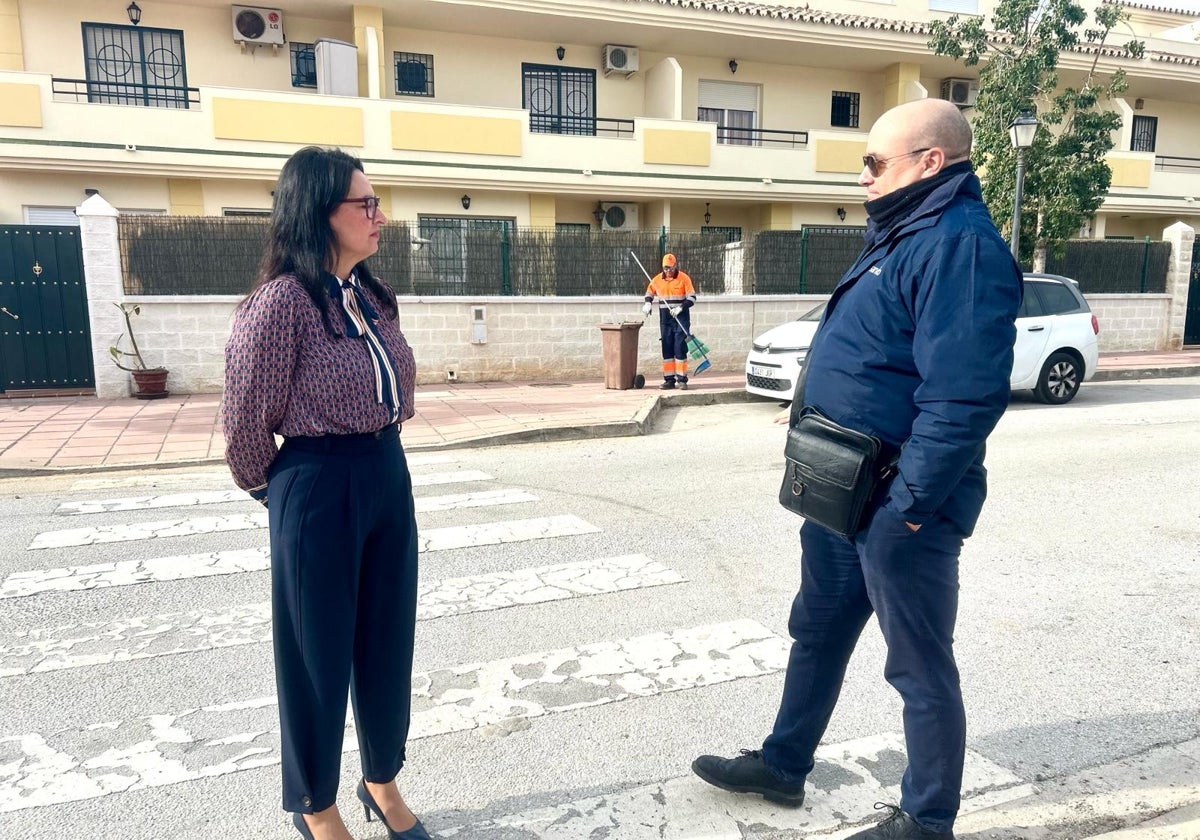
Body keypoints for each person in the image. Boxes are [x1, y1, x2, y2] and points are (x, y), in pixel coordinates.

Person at [691, 98, 1022, 840]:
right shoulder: (899, 233)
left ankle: (926, 820)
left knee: (917, 667)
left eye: (875, 162)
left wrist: (907, 507)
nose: (863, 177)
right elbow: (873, 346)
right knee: (817, 631)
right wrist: (813, 406)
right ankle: (783, 766)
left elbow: (963, 396)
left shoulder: (958, 245)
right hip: (844, 490)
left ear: (929, 162)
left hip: (901, 506)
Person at [221, 146, 429, 840]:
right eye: (364, 205)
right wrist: (284, 498)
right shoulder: (281, 305)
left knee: (386, 639)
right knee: (316, 658)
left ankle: (381, 779)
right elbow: (246, 423)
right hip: (318, 483)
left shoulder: (370, 292)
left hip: (386, 474)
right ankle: (316, 804)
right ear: (319, 214)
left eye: (377, 200)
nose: (380, 216)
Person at [641, 252, 697, 389]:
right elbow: (649, 292)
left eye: (671, 268)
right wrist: (648, 303)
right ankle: (669, 380)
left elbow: (692, 298)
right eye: (666, 268)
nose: (668, 271)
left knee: (679, 347)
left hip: (681, 318)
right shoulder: (657, 280)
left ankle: (682, 379)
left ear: (675, 266)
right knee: (667, 347)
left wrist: (681, 307)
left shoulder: (684, 278)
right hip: (665, 318)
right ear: (662, 267)